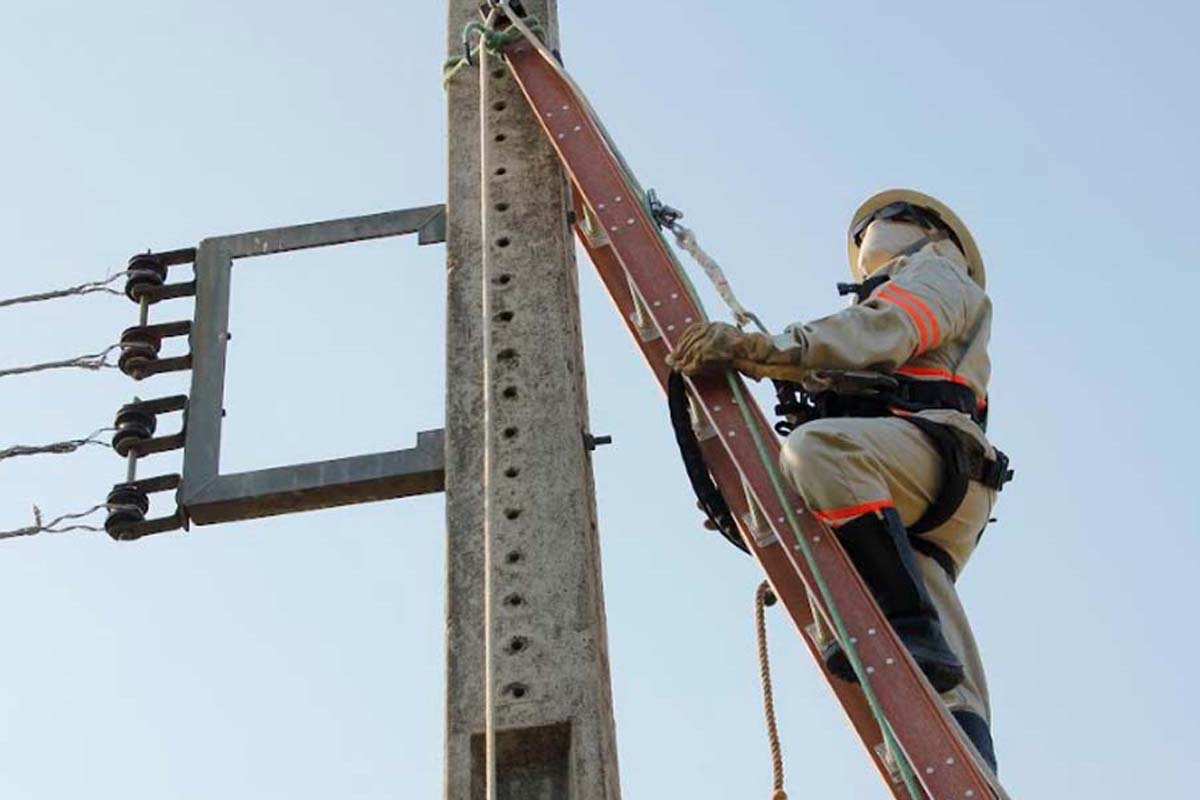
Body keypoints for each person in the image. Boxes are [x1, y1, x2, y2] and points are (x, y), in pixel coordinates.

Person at [667, 189, 1010, 774]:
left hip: (924, 460)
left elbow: (887, 328)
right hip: (919, 487)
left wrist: (764, 349)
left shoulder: (936, 274)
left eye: (885, 220)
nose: (870, 233)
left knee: (820, 452)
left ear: (936, 235)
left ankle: (909, 630)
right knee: (945, 665)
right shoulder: (913, 293)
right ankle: (966, 767)